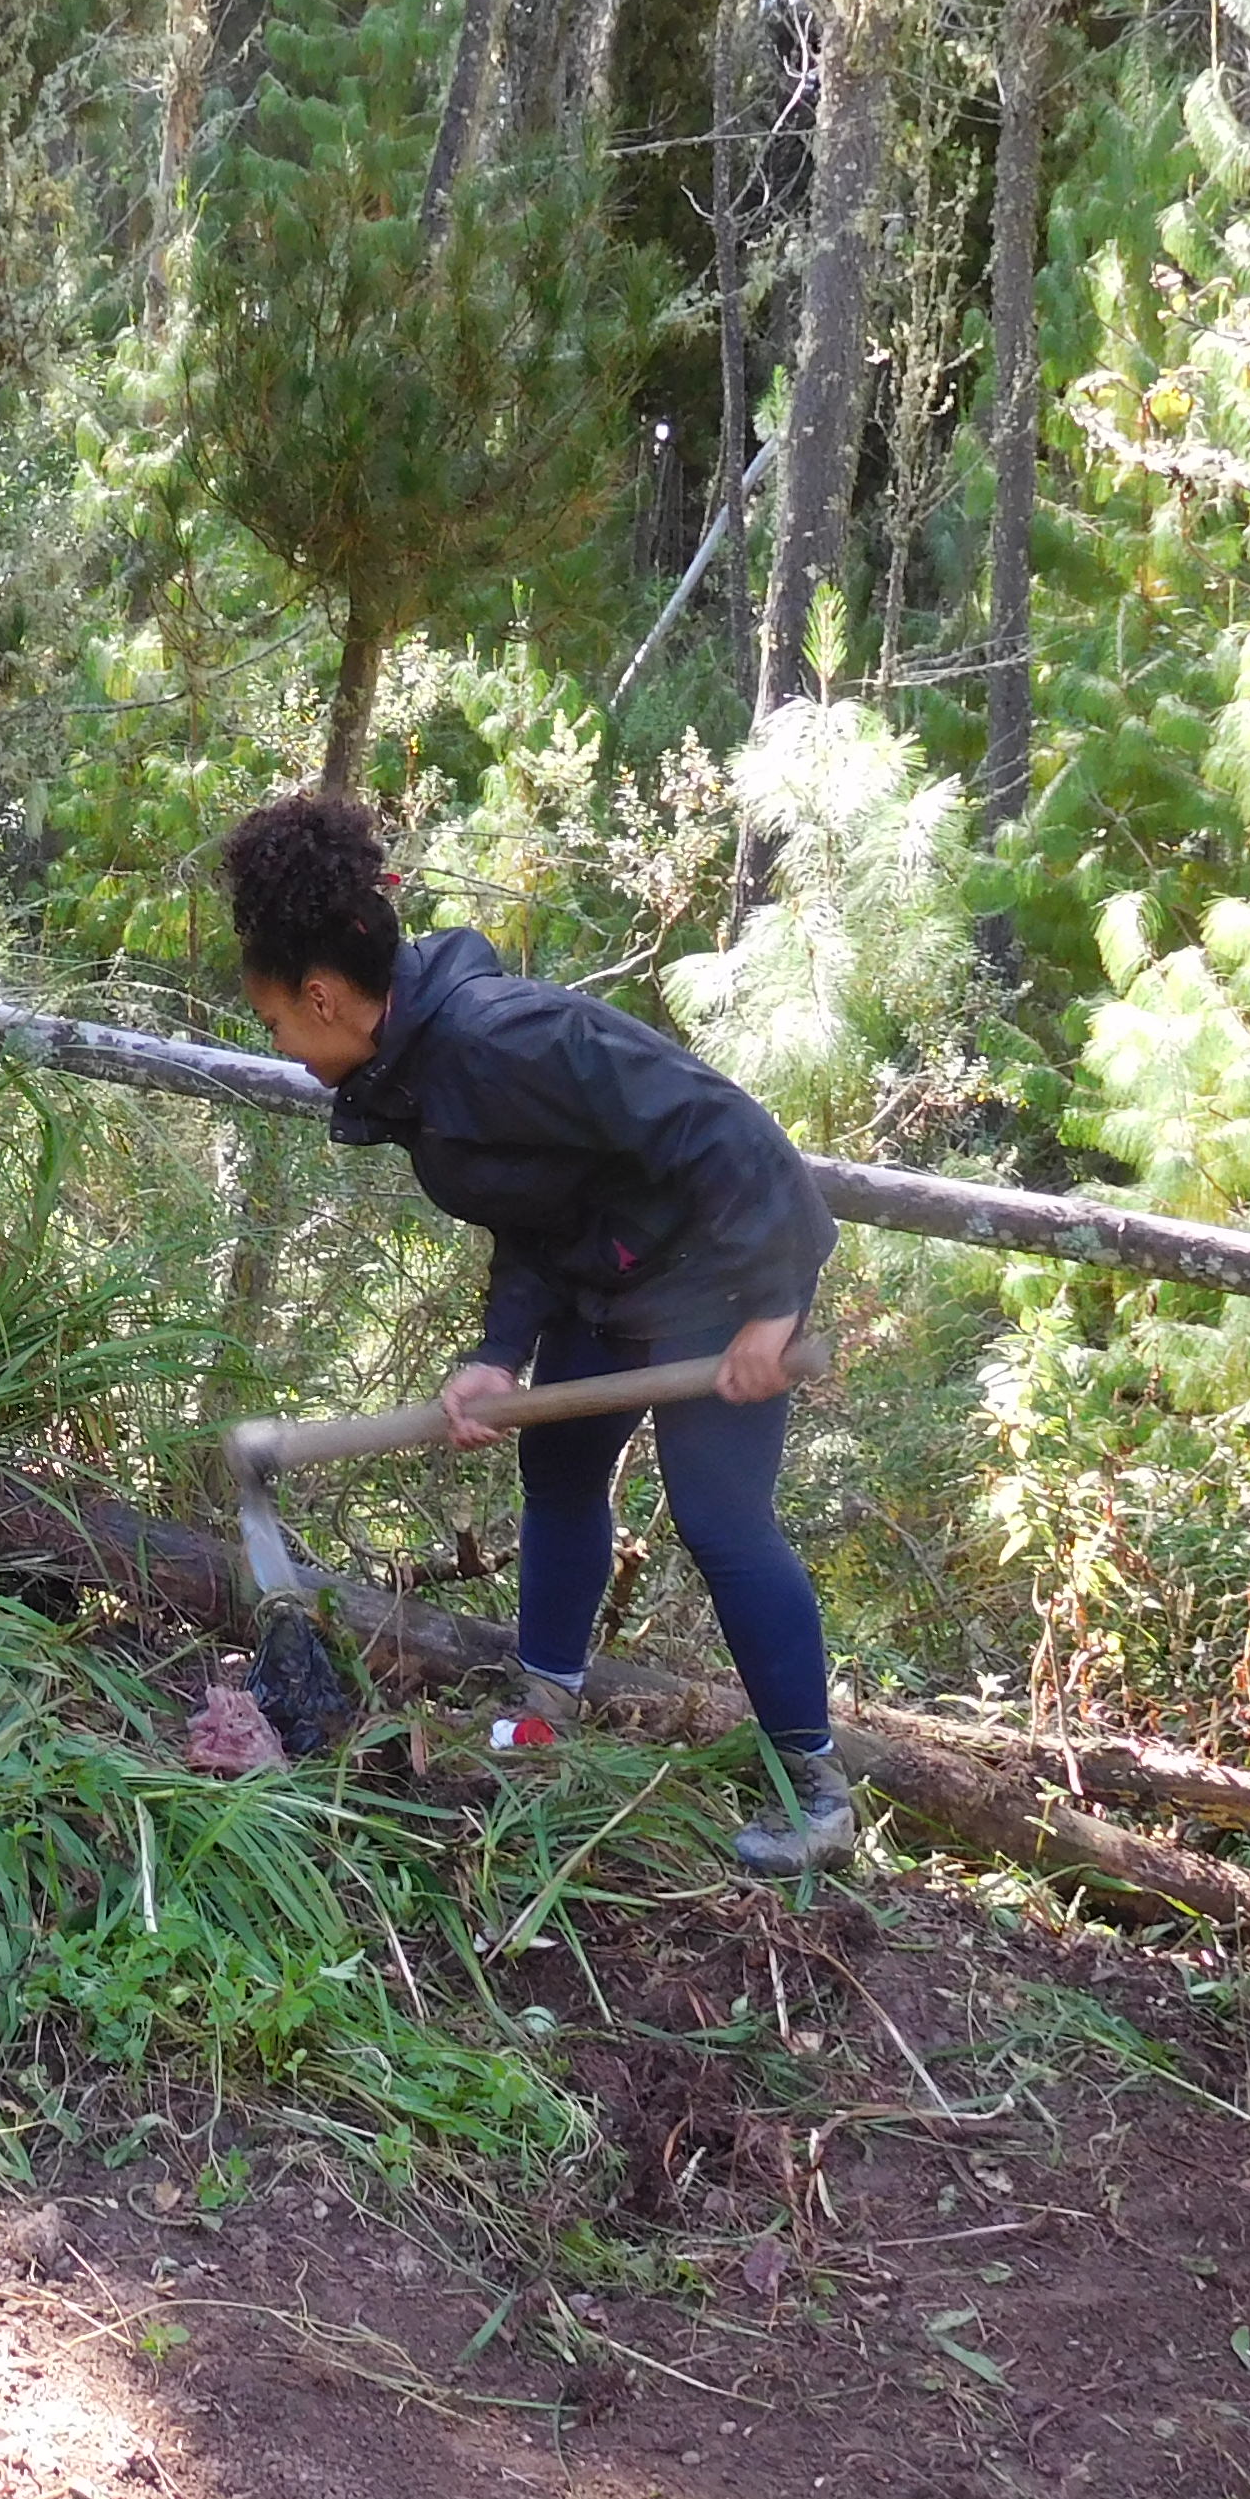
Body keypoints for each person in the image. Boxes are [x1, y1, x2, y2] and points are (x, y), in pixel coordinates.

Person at [221, 785, 858, 1876]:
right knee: (559, 1471)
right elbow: (532, 1210)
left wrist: (769, 1306)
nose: (278, 1040)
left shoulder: (507, 1037)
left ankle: (819, 1794)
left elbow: (730, 1132)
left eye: (274, 1018)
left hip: (709, 1286)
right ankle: (546, 1709)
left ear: (322, 995)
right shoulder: (416, 1072)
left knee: (720, 1522)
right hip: (603, 1287)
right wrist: (496, 1356)